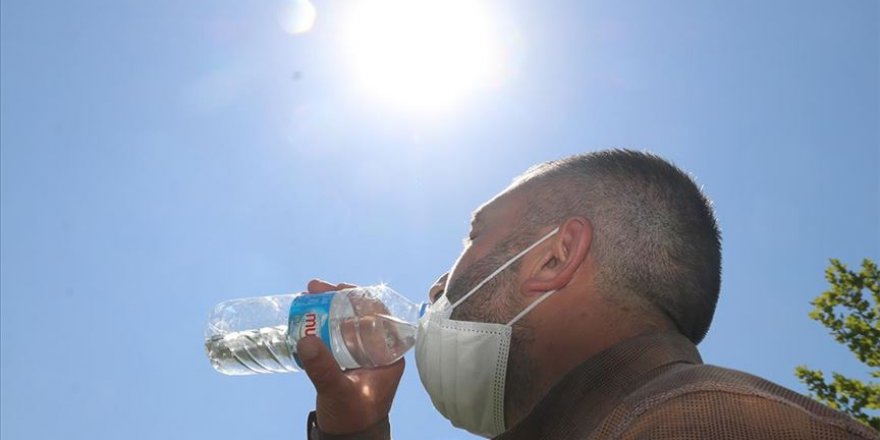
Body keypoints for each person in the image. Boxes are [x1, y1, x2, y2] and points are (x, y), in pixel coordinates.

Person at [295, 150, 879, 440]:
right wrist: (355, 430)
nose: (437, 285)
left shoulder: (699, 424)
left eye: (475, 236)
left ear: (554, 257)